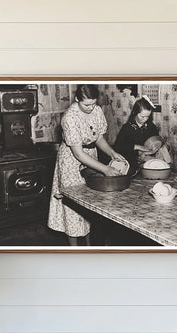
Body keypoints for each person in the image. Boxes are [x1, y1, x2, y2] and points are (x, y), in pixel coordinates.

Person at [47, 84, 126, 246]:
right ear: (77, 99)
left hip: (90, 156)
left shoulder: (96, 110)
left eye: (93, 103)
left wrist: (112, 153)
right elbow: (78, 153)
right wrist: (104, 168)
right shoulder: (70, 117)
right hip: (71, 161)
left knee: (90, 202)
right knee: (72, 204)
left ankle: (90, 246)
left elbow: (98, 138)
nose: (91, 108)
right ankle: (74, 249)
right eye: (86, 105)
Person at [114, 96, 171, 175]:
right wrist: (137, 147)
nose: (145, 119)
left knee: (164, 149)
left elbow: (156, 141)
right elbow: (118, 147)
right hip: (131, 160)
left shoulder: (151, 127)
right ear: (135, 113)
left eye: (148, 116)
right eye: (142, 116)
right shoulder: (127, 128)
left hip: (147, 157)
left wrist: (155, 148)